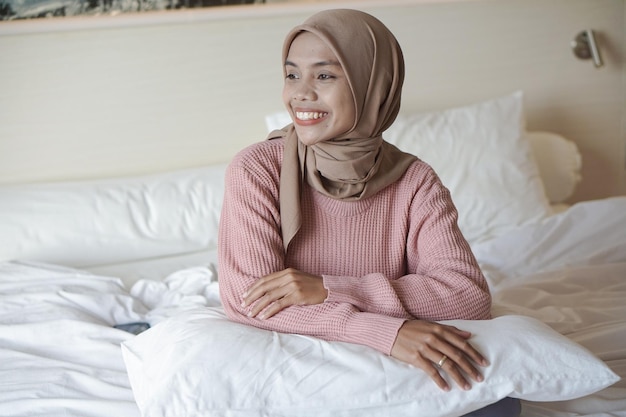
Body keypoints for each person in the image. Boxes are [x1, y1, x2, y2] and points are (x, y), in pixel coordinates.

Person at [218, 8, 520, 416]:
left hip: (394, 373)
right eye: (292, 75)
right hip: (304, 365)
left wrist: (329, 288)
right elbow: (248, 300)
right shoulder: (257, 168)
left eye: (324, 75)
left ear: (372, 85)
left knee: (496, 401)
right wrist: (383, 331)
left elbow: (466, 298)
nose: (300, 93)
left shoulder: (415, 181)